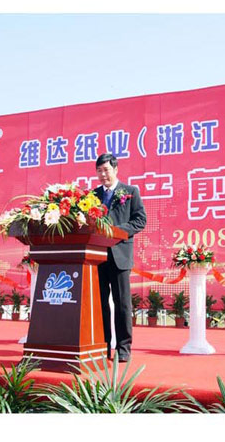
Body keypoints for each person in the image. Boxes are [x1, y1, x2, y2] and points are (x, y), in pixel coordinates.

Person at [94, 153, 147, 362]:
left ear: (115, 169)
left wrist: (116, 231)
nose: (103, 174)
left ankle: (123, 349)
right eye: (99, 171)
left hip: (120, 255)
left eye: (106, 170)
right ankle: (103, 346)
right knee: (100, 304)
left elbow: (140, 220)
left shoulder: (130, 192)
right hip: (96, 257)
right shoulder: (93, 195)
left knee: (122, 304)